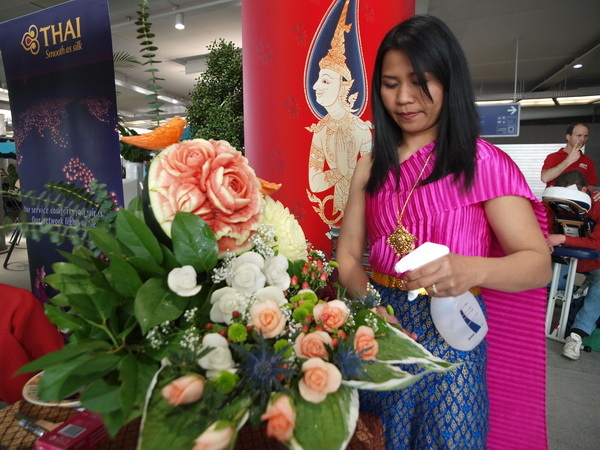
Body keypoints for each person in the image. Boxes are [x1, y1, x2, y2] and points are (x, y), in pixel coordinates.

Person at [336, 14, 551, 449]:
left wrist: (471, 270)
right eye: (391, 84)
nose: (404, 98)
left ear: (449, 81)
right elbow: (348, 256)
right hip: (385, 331)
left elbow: (538, 264)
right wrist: (372, 308)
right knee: (377, 438)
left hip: (454, 333)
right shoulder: (370, 166)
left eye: (420, 82)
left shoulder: (483, 162)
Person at [547, 170, 600, 360]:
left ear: (584, 191)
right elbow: (546, 225)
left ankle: (576, 336)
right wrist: (547, 240)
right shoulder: (558, 203)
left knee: (598, 292)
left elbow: (597, 243)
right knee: (544, 281)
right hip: (567, 257)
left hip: (596, 262)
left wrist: (563, 238)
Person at [541, 123, 596, 187]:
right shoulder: (552, 157)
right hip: (554, 193)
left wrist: (595, 191)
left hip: (576, 194)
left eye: (585, 136)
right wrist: (569, 160)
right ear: (568, 137)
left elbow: (591, 186)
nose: (583, 139)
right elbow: (545, 178)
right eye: (579, 135)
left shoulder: (588, 161)